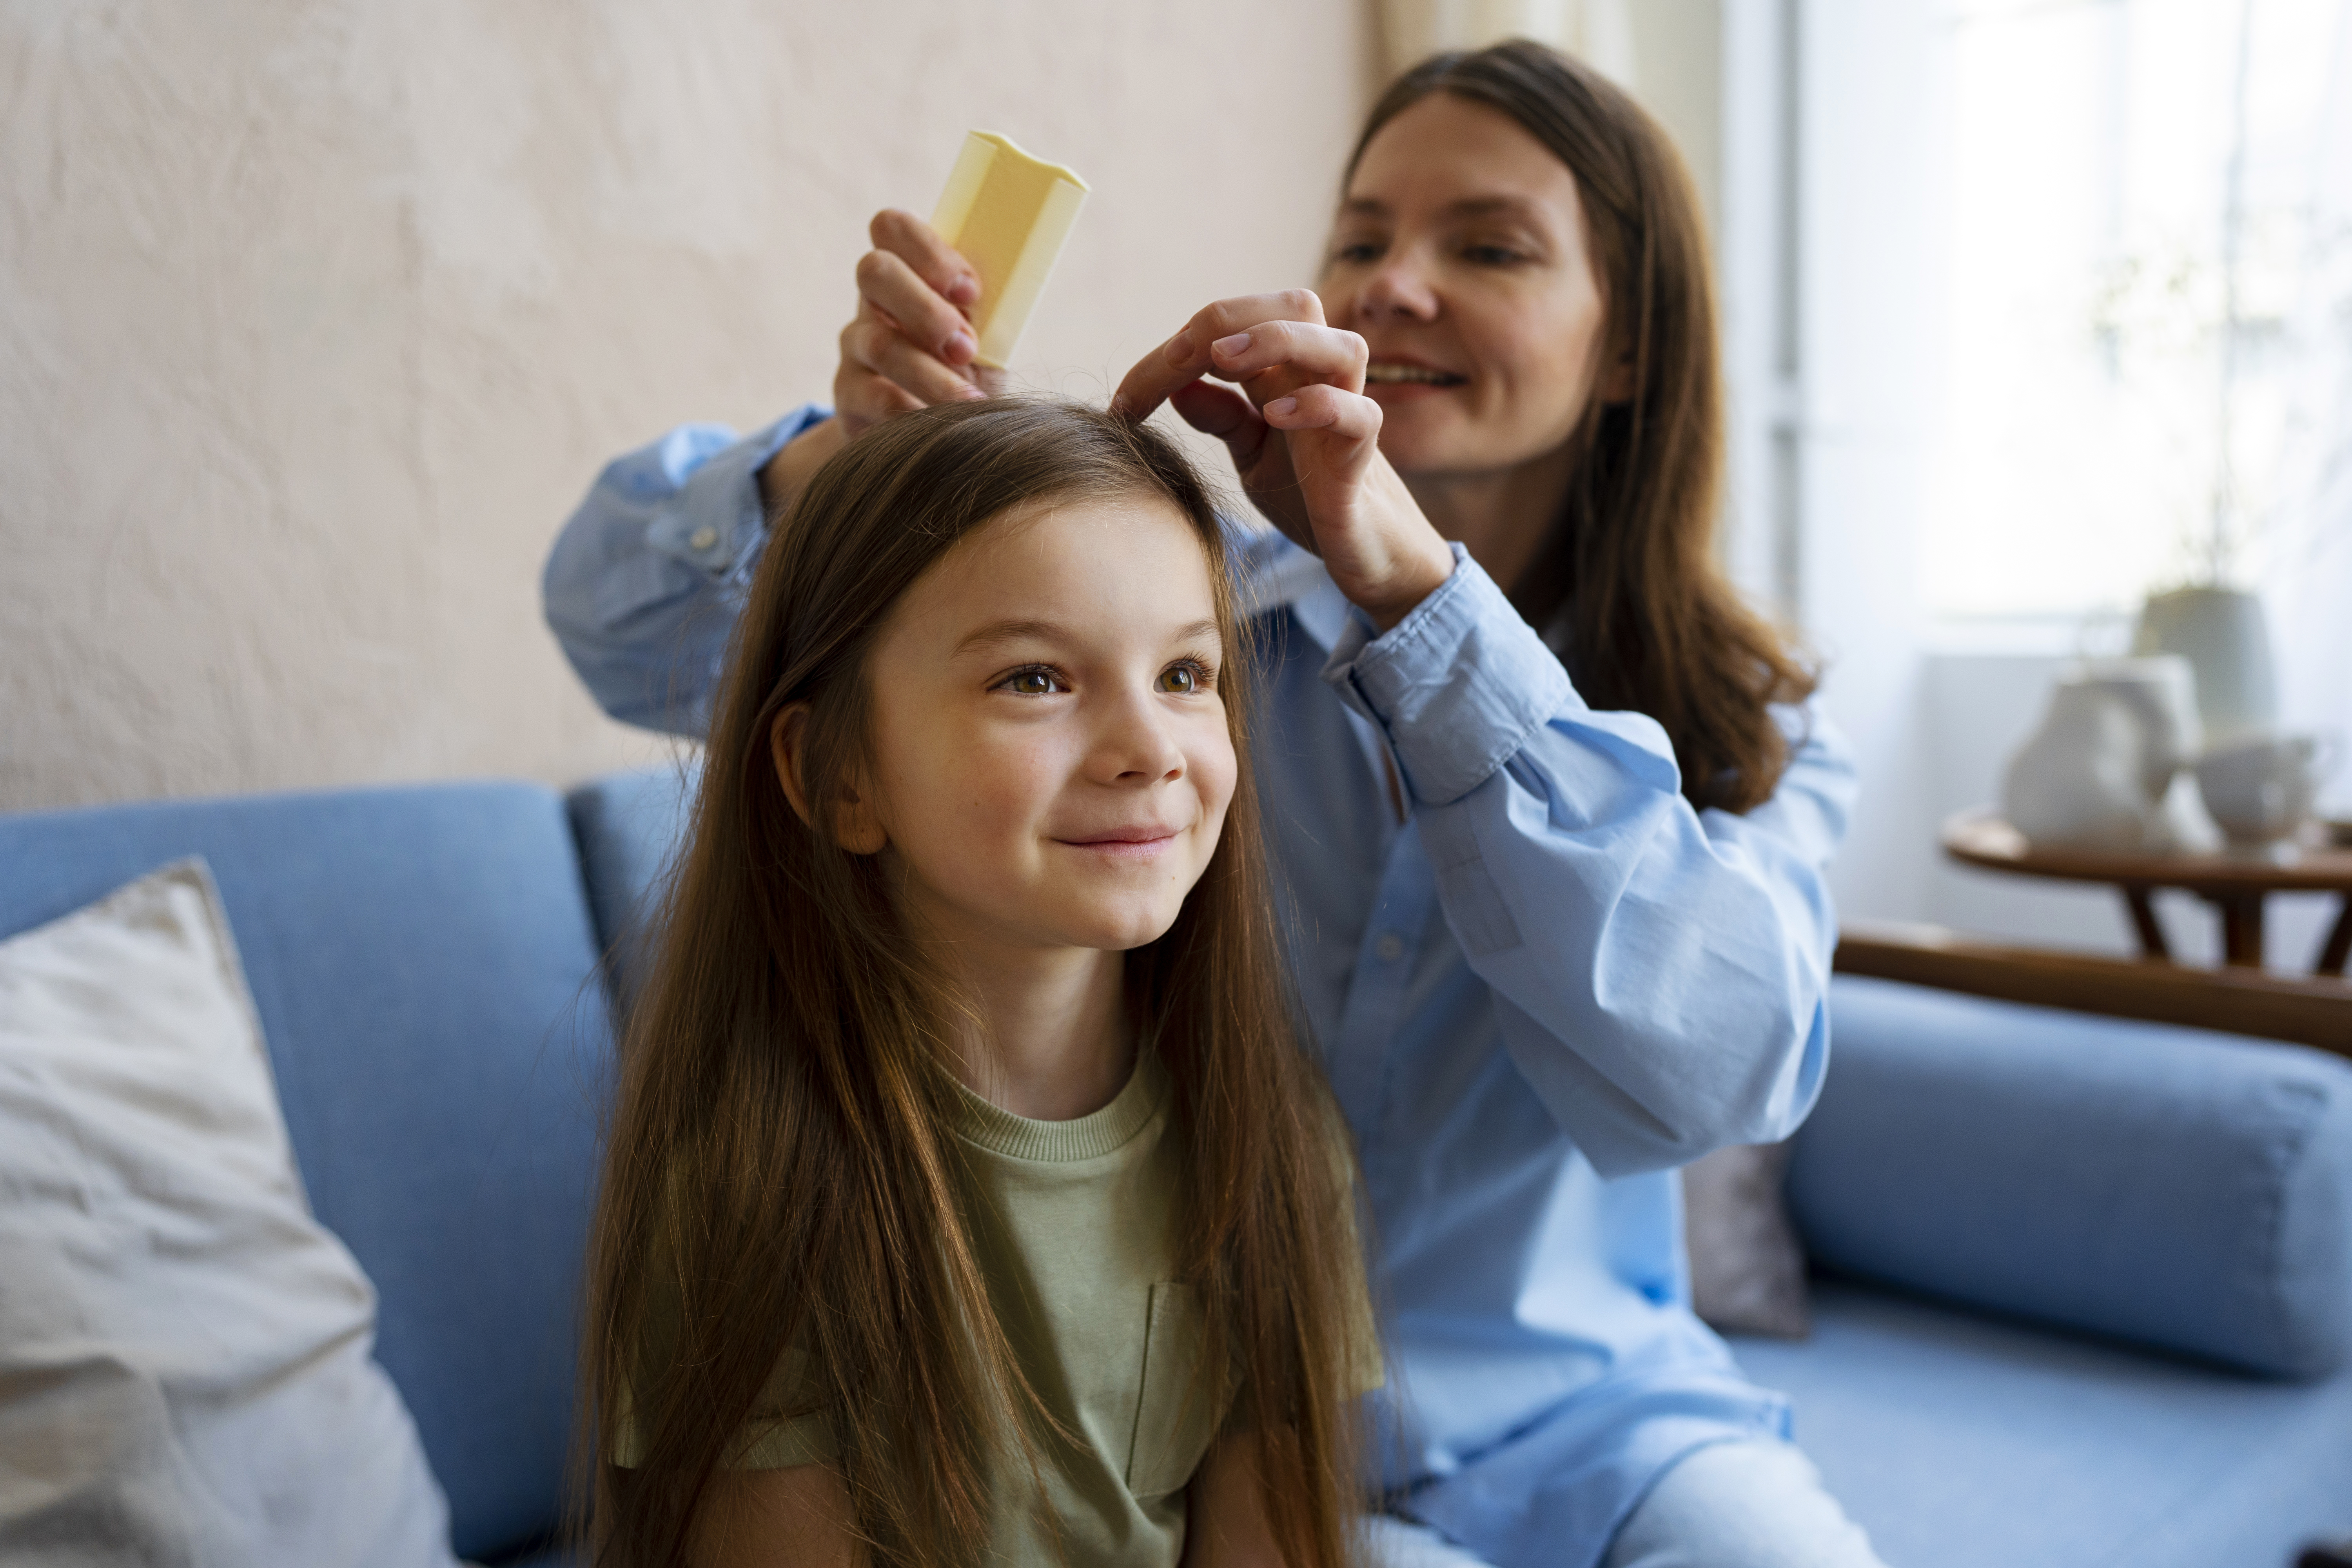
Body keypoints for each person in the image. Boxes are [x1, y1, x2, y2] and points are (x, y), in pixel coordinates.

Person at [548, 40, 1879, 1568]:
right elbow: (611, 633)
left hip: (1599, 1422)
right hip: (1217, 1438)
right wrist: (832, 474)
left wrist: (1422, 601)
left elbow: (1715, 1078)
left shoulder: (1756, 723)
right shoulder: (1190, 623)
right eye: (1363, 238)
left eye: (1487, 245)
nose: (1397, 284)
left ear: (1630, 344)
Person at [578, 398, 1379, 1568]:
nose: (1150, 746)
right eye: (1036, 680)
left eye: (1185, 672)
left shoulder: (1274, 1142)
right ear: (837, 773)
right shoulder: (750, 1186)